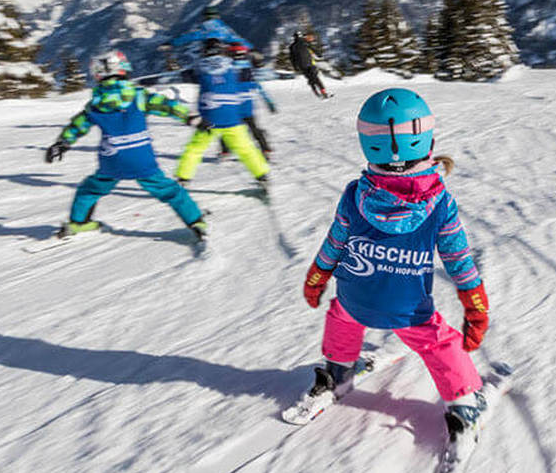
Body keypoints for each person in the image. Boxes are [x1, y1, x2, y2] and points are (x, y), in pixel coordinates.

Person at [300, 88, 490, 444]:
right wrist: (476, 306)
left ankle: (338, 370)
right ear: (425, 140)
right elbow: (459, 261)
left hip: (354, 297)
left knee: (341, 313)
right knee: (438, 341)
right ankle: (465, 400)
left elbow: (335, 243)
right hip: (407, 311)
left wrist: (316, 277)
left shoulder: (355, 194)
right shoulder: (440, 203)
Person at [45, 49, 208, 242]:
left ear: (97, 74)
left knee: (90, 189)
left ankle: (78, 223)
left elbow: (78, 126)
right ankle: (195, 221)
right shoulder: (138, 96)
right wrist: (191, 118)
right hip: (141, 158)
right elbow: (166, 105)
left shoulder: (95, 105)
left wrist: (62, 143)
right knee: (170, 191)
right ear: (123, 69)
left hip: (111, 161)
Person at [174, 39, 271, 190]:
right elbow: (248, 75)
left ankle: (183, 178)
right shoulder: (233, 66)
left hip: (208, 119)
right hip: (232, 117)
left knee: (194, 149)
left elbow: (186, 76)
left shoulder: (199, 68)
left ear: (205, 51)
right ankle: (262, 176)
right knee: (246, 149)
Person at [288, 30, 330, 99]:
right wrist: (319, 54)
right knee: (316, 78)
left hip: (302, 66)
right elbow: (313, 49)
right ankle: (323, 92)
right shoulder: (305, 42)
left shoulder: (292, 46)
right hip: (310, 63)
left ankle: (316, 92)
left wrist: (295, 67)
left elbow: (292, 58)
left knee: (310, 79)